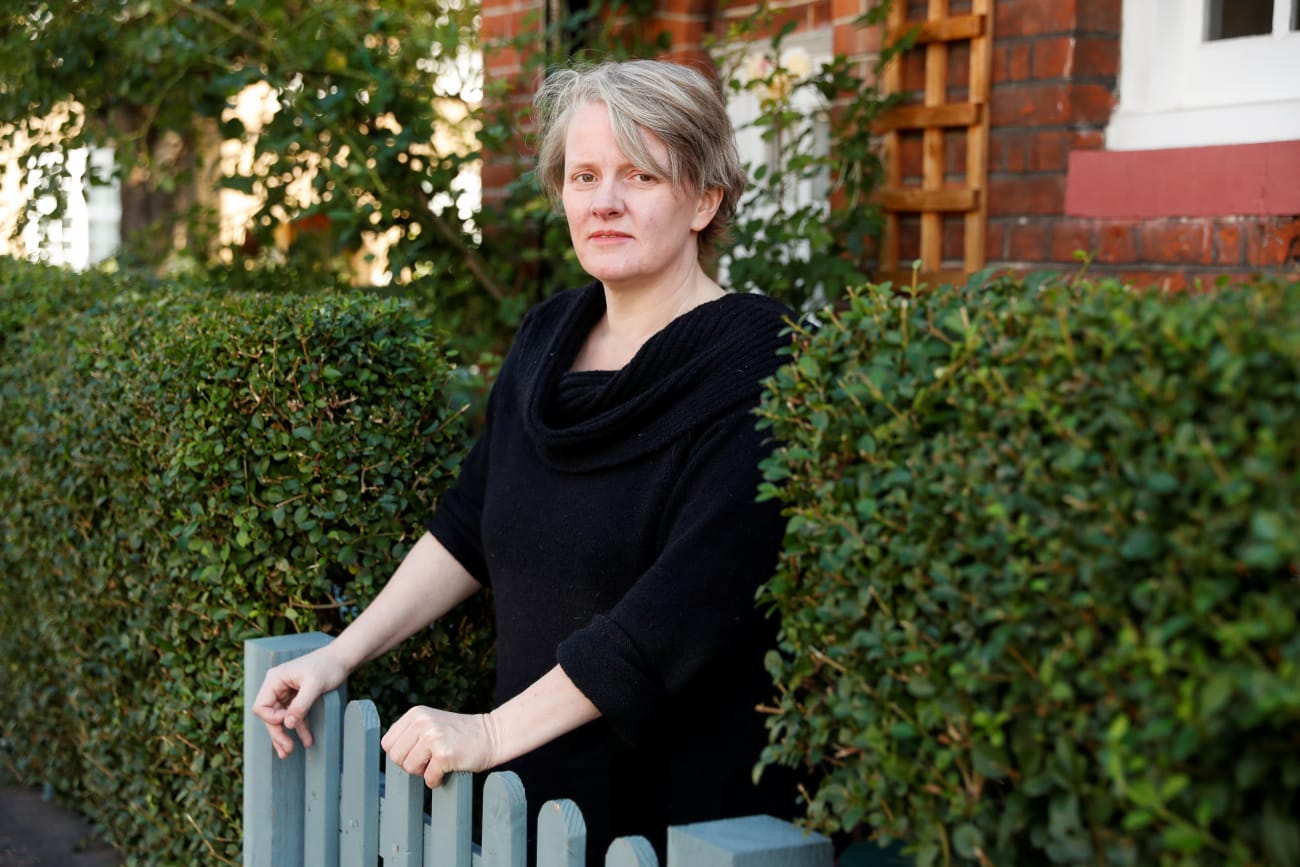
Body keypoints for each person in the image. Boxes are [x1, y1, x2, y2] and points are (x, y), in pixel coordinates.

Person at [252, 58, 800, 860]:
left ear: (706, 199)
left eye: (641, 174)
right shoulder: (548, 340)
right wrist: (339, 654)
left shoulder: (759, 362)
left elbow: (680, 613)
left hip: (683, 825)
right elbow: (469, 526)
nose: (604, 201)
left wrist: (487, 732)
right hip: (530, 809)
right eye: (584, 175)